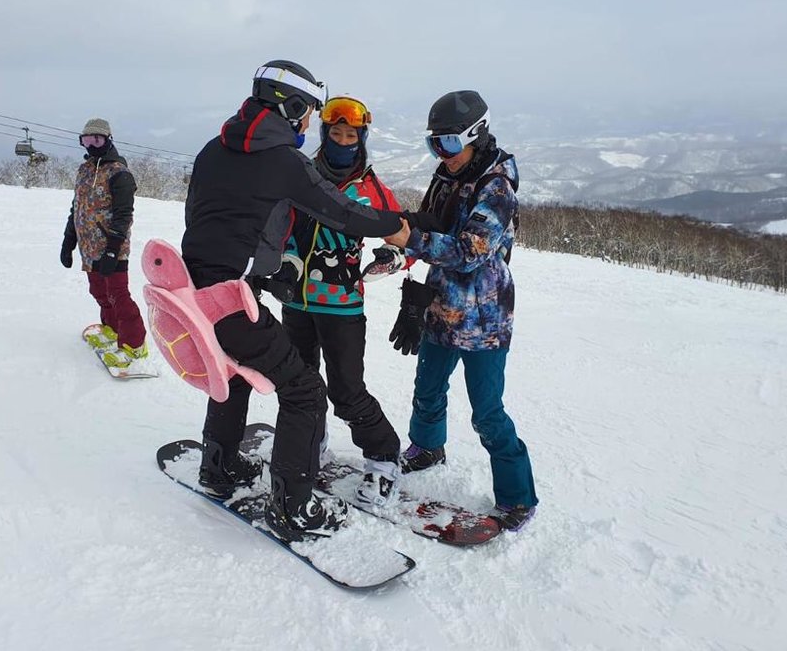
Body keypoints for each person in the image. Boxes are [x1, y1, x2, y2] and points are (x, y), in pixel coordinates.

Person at [180, 61, 409, 540]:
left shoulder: (211, 150)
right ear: (295, 108)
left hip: (201, 294)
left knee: (236, 371)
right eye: (311, 117)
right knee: (306, 392)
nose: (310, 128)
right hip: (242, 297)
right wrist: (392, 227)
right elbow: (341, 212)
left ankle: (218, 468)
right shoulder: (284, 162)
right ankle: (294, 508)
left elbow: (213, 219)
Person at [384, 90, 538, 532]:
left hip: (485, 319)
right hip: (442, 305)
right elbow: (430, 225)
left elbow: (471, 251)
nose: (442, 154)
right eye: (435, 144)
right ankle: (428, 447)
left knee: (486, 410)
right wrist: (397, 253)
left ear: (476, 136)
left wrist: (408, 240)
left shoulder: (497, 186)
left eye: (449, 144)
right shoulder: (447, 177)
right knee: (428, 388)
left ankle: (517, 497)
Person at [279, 96, 411, 507]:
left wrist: (392, 256)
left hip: (342, 307)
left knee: (346, 390)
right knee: (299, 386)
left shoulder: (370, 189)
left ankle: (384, 458)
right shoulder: (300, 174)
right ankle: (310, 445)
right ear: (324, 134)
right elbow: (279, 224)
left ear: (361, 139)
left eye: (350, 136)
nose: (342, 141)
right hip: (295, 301)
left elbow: (403, 237)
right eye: (335, 134)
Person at [60, 118, 148, 368]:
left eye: (96, 139)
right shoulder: (84, 170)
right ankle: (112, 330)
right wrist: (68, 241)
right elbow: (77, 208)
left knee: (118, 295)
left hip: (113, 248)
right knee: (99, 292)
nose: (91, 145)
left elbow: (124, 216)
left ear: (108, 140)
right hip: (89, 248)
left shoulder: (119, 173)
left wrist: (112, 250)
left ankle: (134, 345)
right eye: (86, 140)